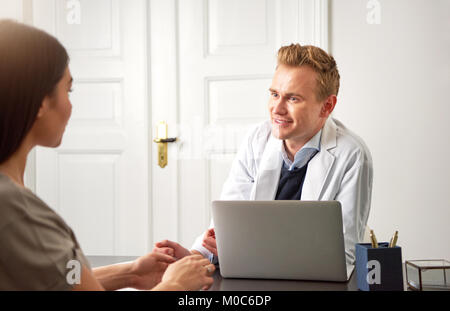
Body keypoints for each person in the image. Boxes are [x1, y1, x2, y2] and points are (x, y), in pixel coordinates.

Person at [0, 20, 215, 291]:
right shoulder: (18, 213)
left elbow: (54, 278)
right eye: (68, 90)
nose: (70, 104)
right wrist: (176, 285)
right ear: (42, 102)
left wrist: (130, 273)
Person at [154, 44, 373, 267]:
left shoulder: (352, 155)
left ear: (327, 106)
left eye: (293, 98)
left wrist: (249, 252)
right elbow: (224, 231)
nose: (277, 108)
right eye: (274, 94)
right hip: (252, 278)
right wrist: (194, 257)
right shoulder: (257, 139)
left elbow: (342, 255)